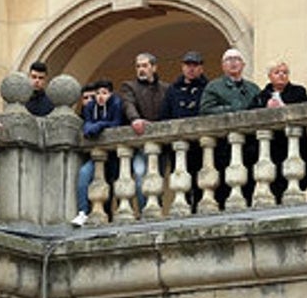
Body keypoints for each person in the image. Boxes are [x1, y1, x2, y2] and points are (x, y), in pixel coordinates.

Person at [119, 52, 169, 208]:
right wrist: (135, 119)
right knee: (140, 175)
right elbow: (128, 104)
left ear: (154, 67)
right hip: (139, 141)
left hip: (161, 143)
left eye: (145, 66)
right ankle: (143, 212)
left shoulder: (166, 88)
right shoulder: (129, 87)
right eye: (138, 66)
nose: (141, 69)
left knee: (157, 178)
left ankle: (155, 209)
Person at [72, 79, 124, 227]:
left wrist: (100, 125)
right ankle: (83, 212)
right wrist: (91, 126)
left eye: (104, 93)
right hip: (97, 156)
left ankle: (117, 214)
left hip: (115, 155)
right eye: (98, 93)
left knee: (115, 184)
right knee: (83, 174)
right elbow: (87, 123)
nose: (101, 97)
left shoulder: (116, 104)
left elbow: (117, 124)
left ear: (111, 94)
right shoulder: (91, 107)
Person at [199, 48, 261, 114]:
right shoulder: (213, 87)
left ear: (243, 65)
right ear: (223, 66)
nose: (233, 62)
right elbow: (206, 110)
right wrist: (231, 109)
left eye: (237, 59)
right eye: (228, 59)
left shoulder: (253, 88)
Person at [161, 50, 208, 119]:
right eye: (188, 65)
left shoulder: (208, 88)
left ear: (201, 69)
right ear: (182, 67)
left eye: (195, 65)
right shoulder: (173, 90)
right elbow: (164, 115)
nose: (191, 69)